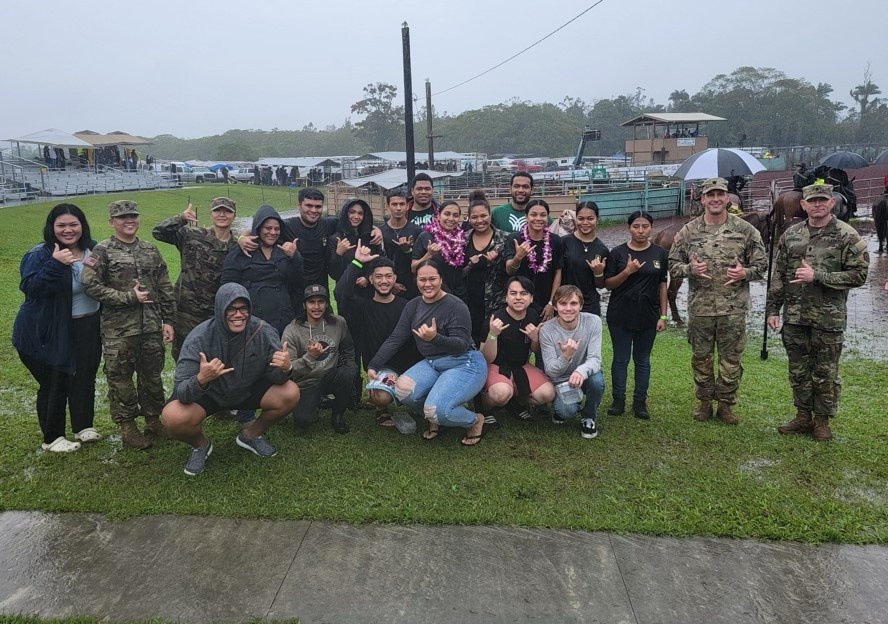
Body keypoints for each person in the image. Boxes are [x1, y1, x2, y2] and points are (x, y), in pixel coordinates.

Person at [766, 183, 869, 441]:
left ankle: (822, 421)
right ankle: (802, 416)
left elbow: (859, 275)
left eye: (823, 200)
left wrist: (818, 276)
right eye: (812, 201)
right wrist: (773, 309)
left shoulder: (847, 235)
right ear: (804, 205)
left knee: (825, 372)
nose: (817, 205)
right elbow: (778, 274)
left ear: (832, 202)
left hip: (828, 318)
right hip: (795, 317)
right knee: (798, 370)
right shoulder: (791, 236)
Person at [162, 283, 300, 475]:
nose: (239, 314)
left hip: (247, 390)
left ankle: (251, 435)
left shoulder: (263, 331)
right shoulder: (199, 338)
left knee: (291, 391)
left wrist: (286, 368)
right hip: (209, 394)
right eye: (232, 309)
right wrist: (202, 379)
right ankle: (200, 445)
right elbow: (182, 392)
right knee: (173, 416)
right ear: (220, 310)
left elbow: (275, 377)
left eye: (243, 308)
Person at [667, 177, 767, 424]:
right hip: (700, 309)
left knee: (731, 360)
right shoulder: (689, 231)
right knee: (701, 358)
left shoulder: (745, 230)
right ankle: (703, 403)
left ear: (727, 198)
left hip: (733, 309)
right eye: (710, 195)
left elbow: (762, 264)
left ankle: (725, 405)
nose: (715, 199)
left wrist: (745, 273)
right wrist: (690, 269)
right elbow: (672, 265)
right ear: (702, 199)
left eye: (720, 194)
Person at [81, 200, 175, 449]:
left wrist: (168, 320)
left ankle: (154, 421)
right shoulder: (102, 251)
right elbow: (89, 284)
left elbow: (164, 286)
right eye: (122, 217)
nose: (129, 220)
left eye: (132, 216)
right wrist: (126, 297)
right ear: (112, 221)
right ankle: (128, 428)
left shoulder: (150, 249)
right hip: (119, 330)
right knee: (120, 378)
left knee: (152, 376)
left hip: (151, 326)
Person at [13, 203, 102, 452]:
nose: (68, 230)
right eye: (61, 225)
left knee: (84, 376)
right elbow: (31, 288)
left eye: (74, 224)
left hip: (87, 325)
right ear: (52, 228)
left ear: (82, 225)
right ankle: (52, 437)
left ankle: (83, 426)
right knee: (55, 380)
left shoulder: (93, 250)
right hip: (47, 331)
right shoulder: (40, 254)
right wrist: (55, 263)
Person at [367, 260, 487, 446]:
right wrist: (374, 364)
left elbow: (462, 345)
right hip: (432, 363)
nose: (427, 284)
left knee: (438, 410)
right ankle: (437, 414)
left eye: (432, 279)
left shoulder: (456, 305)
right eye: (423, 279)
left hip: (464, 363)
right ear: (416, 281)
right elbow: (396, 338)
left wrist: (435, 338)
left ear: (441, 279)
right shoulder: (413, 306)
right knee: (403, 390)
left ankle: (474, 420)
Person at [334, 244, 420, 426]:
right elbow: (340, 291)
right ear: (371, 279)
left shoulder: (408, 306)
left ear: (395, 278)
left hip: (409, 366)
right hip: (380, 368)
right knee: (382, 397)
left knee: (420, 396)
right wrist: (357, 262)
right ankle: (381, 406)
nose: (384, 281)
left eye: (388, 276)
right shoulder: (362, 307)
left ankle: (409, 394)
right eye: (378, 276)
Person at [237, 188, 381, 288]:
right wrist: (242, 236)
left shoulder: (329, 224)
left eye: (318, 206)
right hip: (294, 286)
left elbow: (353, 222)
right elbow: (263, 226)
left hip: (321, 286)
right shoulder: (287, 226)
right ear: (298, 205)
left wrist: (376, 229)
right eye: (309, 205)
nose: (313, 210)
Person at [152, 197, 237, 360]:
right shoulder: (192, 235)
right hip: (186, 314)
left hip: (218, 314)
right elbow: (158, 232)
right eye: (218, 210)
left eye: (227, 211)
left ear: (234, 215)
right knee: (184, 358)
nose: (222, 214)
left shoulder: (238, 245)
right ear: (211, 214)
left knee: (217, 359)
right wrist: (181, 218)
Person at [603, 211, 669, 420]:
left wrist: (663, 315)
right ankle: (618, 399)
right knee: (621, 359)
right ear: (629, 228)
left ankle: (640, 401)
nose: (640, 231)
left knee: (642, 360)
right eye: (636, 226)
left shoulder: (659, 253)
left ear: (651, 228)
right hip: (620, 314)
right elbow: (607, 284)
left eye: (645, 226)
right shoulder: (617, 253)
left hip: (648, 315)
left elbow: (662, 284)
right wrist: (627, 272)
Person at [282, 285, 358, 434]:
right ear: (304, 305)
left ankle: (337, 415)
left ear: (327, 304)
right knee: (304, 421)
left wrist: (352, 367)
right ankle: (316, 401)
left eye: (321, 301)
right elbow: (289, 370)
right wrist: (311, 356)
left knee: (347, 374)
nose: (316, 307)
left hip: (330, 375)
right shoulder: (292, 331)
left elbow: (348, 348)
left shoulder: (338, 323)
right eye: (311, 302)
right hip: (305, 382)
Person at [480, 276, 555, 422]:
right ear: (506, 297)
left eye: (524, 293)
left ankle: (516, 403)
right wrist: (493, 335)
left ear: (531, 298)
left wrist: (535, 338)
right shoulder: (495, 319)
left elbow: (535, 350)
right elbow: (486, 358)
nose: (518, 297)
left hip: (520, 365)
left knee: (548, 394)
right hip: (496, 365)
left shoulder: (533, 315)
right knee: (501, 393)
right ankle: (484, 407)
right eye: (513, 293)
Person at [221, 204, 303, 335]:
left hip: (283, 319)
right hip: (251, 320)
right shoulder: (240, 251)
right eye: (268, 228)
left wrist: (295, 257)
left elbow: (298, 283)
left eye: (277, 229)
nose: (273, 232)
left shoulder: (284, 251)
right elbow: (227, 287)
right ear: (258, 227)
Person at [538, 285, 605, 439]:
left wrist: (580, 371)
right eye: (563, 303)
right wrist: (566, 356)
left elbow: (595, 359)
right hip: (561, 380)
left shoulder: (593, 321)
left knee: (597, 381)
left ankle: (589, 417)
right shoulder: (547, 330)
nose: (568, 308)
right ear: (555, 306)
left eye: (573, 303)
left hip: (584, 376)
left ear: (581, 305)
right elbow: (550, 370)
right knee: (566, 412)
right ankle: (566, 406)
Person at [502, 199, 564, 322]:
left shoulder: (556, 241)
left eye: (543, 215)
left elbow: (558, 272)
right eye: (533, 214)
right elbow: (509, 270)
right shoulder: (514, 239)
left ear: (547, 218)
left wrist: (552, 303)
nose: (538, 218)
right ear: (526, 217)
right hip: (520, 301)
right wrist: (518, 257)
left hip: (546, 301)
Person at [463, 195, 509, 345]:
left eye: (483, 215)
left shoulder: (504, 238)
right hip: (470, 300)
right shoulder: (462, 239)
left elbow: (512, 271)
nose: (479, 220)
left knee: (494, 342)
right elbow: (458, 274)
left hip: (496, 302)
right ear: (468, 218)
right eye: (474, 217)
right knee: (472, 341)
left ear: (490, 215)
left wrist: (497, 261)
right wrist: (469, 265)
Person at [412, 200, 468, 301]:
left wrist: (471, 265)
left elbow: (459, 272)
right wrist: (429, 255)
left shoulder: (462, 238)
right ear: (438, 216)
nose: (451, 218)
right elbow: (413, 268)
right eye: (447, 214)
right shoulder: (425, 236)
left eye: (455, 215)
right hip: (435, 295)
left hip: (459, 295)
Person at [560, 201, 609, 316]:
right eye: (581, 218)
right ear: (575, 219)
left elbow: (601, 285)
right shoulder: (564, 242)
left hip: (589, 305)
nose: (585, 223)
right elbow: (556, 273)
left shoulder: (602, 250)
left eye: (590, 218)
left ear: (597, 219)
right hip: (564, 303)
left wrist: (598, 273)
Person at [380, 189, 423, 299]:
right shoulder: (380, 232)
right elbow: (378, 261)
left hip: (413, 286)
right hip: (386, 287)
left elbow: (421, 261)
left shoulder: (417, 231)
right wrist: (391, 284)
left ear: (408, 206)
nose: (398, 208)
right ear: (387, 206)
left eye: (402, 204)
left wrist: (408, 250)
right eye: (394, 204)